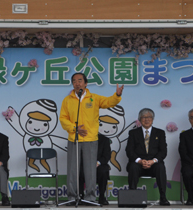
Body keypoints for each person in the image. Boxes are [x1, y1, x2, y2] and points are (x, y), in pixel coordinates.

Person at [59, 72, 124, 205]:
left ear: (86, 83)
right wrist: (75, 128)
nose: (77, 83)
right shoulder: (67, 100)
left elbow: (108, 102)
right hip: (74, 139)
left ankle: (89, 198)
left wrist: (117, 95)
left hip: (90, 139)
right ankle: (72, 197)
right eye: (74, 81)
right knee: (72, 170)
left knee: (90, 171)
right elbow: (63, 118)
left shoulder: (93, 98)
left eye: (80, 80)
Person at [126, 108, 170, 206]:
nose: (147, 119)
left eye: (149, 117)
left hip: (154, 165)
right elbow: (129, 150)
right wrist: (140, 161)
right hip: (138, 165)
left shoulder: (160, 133)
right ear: (140, 119)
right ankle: (132, 197)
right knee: (133, 166)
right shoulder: (133, 133)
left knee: (160, 167)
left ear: (153, 119)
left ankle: (163, 197)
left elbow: (163, 151)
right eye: (144, 117)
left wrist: (153, 161)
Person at [79, 133, 111, 205]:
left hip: (98, 164)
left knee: (103, 171)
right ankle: (80, 196)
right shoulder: (82, 138)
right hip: (85, 164)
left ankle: (102, 197)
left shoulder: (104, 139)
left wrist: (97, 163)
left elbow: (107, 155)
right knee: (79, 170)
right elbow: (79, 154)